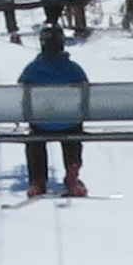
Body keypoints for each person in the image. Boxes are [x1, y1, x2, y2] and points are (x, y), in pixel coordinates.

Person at [19, 31, 90, 199]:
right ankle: (72, 172)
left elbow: (21, 93)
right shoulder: (74, 69)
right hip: (70, 123)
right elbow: (85, 95)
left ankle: (38, 181)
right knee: (73, 131)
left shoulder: (33, 69)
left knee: (34, 139)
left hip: (41, 124)